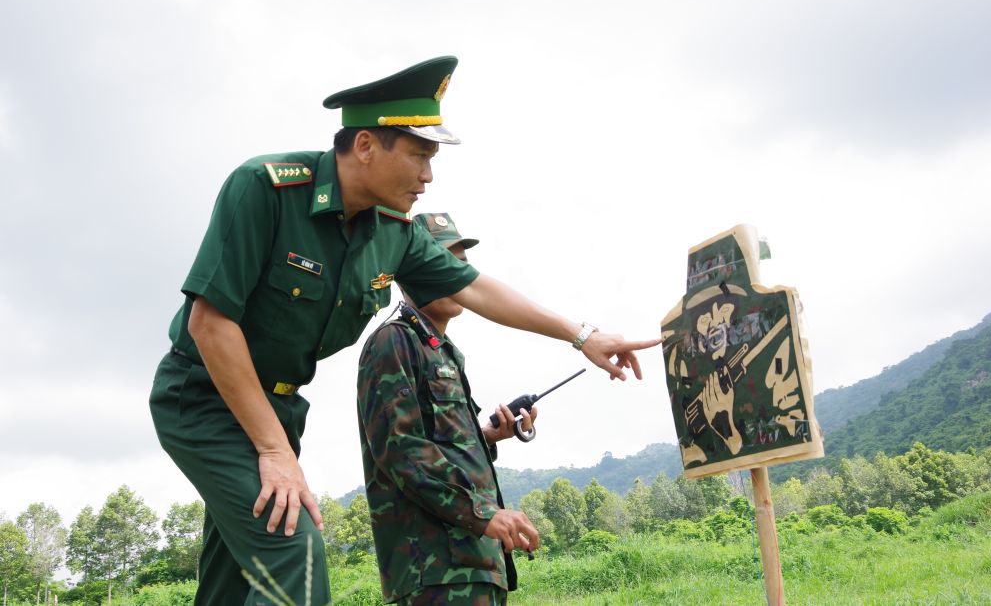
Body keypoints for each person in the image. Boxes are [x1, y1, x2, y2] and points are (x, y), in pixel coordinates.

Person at [149, 56, 658, 605]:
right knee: (295, 554)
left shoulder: (394, 233)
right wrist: (275, 453)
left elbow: (477, 289)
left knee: (235, 580)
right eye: (419, 154)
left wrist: (582, 335)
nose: (428, 175)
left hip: (279, 409)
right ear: (366, 146)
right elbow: (210, 322)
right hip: (203, 397)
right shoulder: (266, 189)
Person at [358, 213, 538, 605]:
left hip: (475, 563)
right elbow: (400, 450)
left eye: (459, 264)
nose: (452, 273)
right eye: (440, 261)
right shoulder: (393, 342)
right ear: (406, 273)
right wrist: (483, 513)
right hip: (435, 569)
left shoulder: (443, 350)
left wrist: (487, 435)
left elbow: (439, 441)